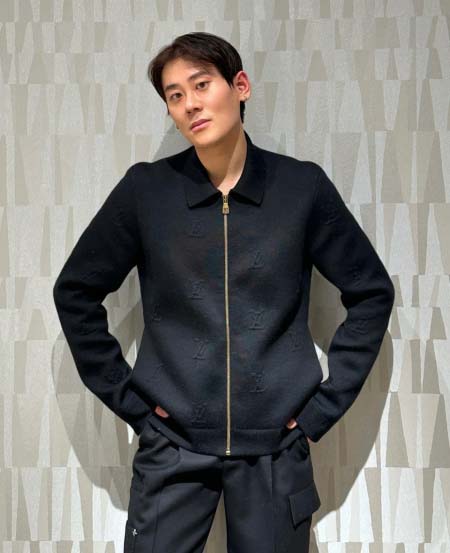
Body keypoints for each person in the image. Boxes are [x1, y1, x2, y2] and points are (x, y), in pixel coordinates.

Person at [53, 31, 395, 553]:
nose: (190, 104)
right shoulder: (147, 192)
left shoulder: (300, 188)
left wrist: (319, 412)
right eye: (174, 95)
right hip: (172, 448)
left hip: (275, 451)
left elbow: (371, 292)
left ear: (240, 86)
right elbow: (75, 291)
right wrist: (135, 406)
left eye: (201, 84)